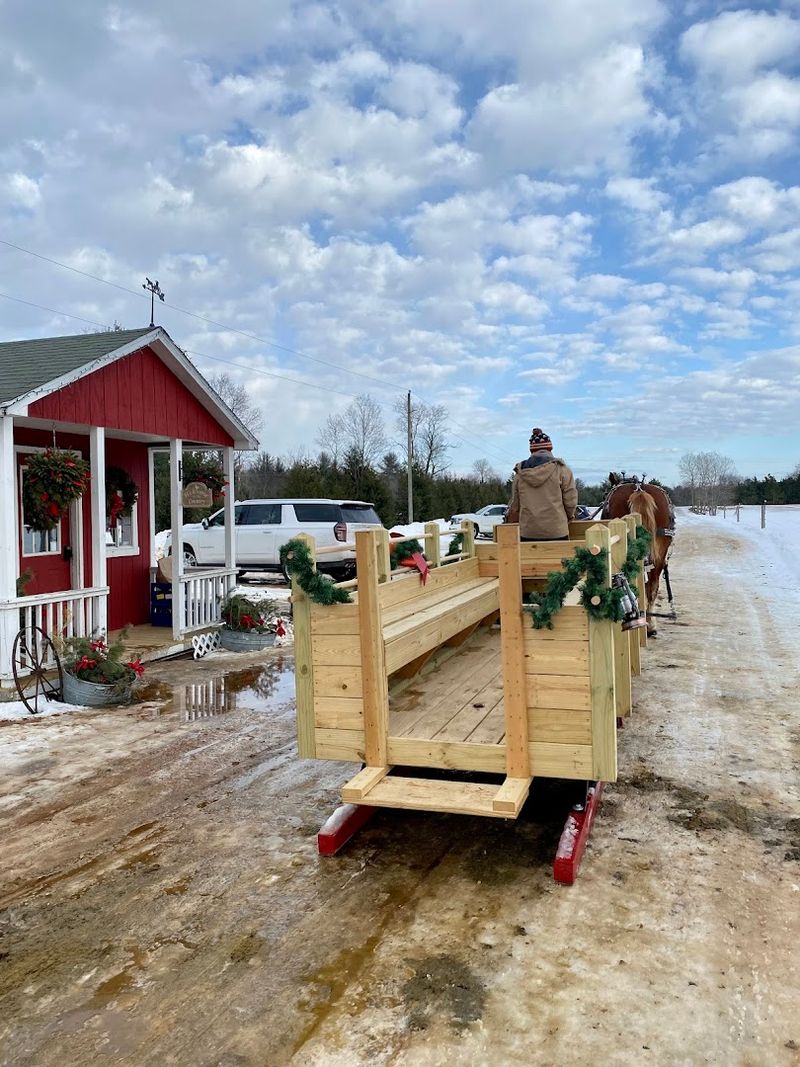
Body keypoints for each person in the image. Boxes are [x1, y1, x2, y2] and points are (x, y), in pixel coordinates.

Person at [505, 428, 577, 540]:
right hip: (557, 531)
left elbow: (515, 505)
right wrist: (568, 517)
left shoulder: (521, 474)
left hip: (528, 533)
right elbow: (570, 502)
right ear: (549, 449)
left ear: (532, 451)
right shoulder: (562, 470)